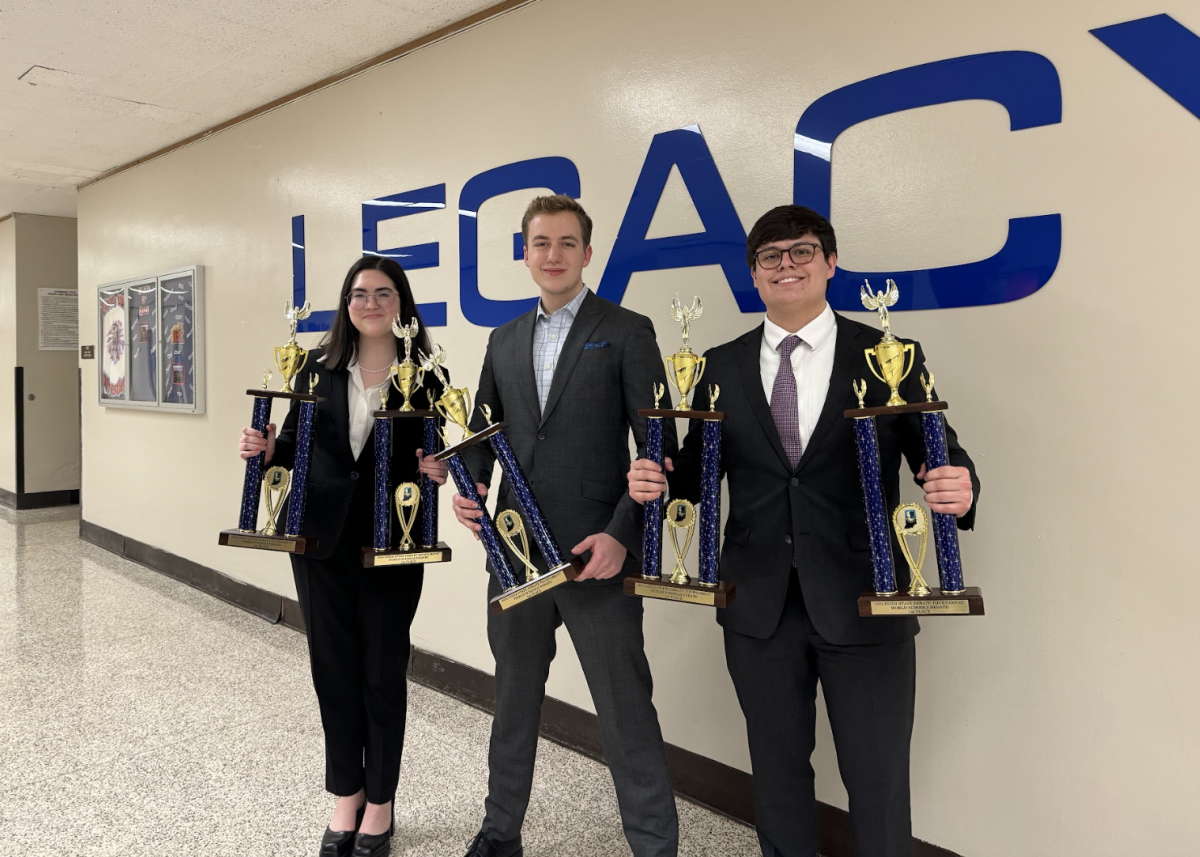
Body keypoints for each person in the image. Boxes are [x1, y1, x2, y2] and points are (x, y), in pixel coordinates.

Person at [627, 205, 980, 857]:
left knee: (877, 785)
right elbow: (697, 481)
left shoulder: (886, 355)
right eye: (771, 256)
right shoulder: (715, 366)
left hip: (865, 604)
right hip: (759, 609)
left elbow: (939, 452)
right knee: (780, 779)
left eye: (802, 251)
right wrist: (657, 483)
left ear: (830, 263)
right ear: (753, 275)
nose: (786, 264)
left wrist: (958, 483)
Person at [450, 195, 679, 857]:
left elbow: (656, 450)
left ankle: (655, 846)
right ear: (525, 253)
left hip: (594, 554)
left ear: (587, 251)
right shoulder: (504, 339)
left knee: (624, 708)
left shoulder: (627, 330)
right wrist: (467, 487)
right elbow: (485, 436)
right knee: (513, 701)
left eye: (567, 243)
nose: (553, 255)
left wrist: (621, 534)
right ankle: (499, 834)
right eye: (541, 243)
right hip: (514, 554)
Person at [237, 255, 448, 857]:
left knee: (382, 670)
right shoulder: (311, 368)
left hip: (393, 541)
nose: (371, 303)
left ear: (402, 303)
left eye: (384, 293)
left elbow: (435, 458)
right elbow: (293, 453)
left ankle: (380, 802)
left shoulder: (429, 375)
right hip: (318, 538)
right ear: (345, 303)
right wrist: (266, 446)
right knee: (332, 668)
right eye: (359, 294)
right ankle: (346, 795)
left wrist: (438, 469)